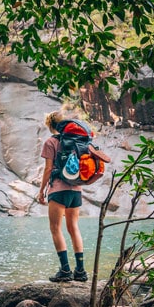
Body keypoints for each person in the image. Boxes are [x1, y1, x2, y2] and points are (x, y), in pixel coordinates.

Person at [38, 110, 88, 282]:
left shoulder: (50, 142)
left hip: (58, 190)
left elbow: (48, 169)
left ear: (51, 125)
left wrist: (41, 190)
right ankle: (80, 271)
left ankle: (65, 270)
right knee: (74, 228)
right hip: (76, 190)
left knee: (55, 229)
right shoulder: (77, 142)